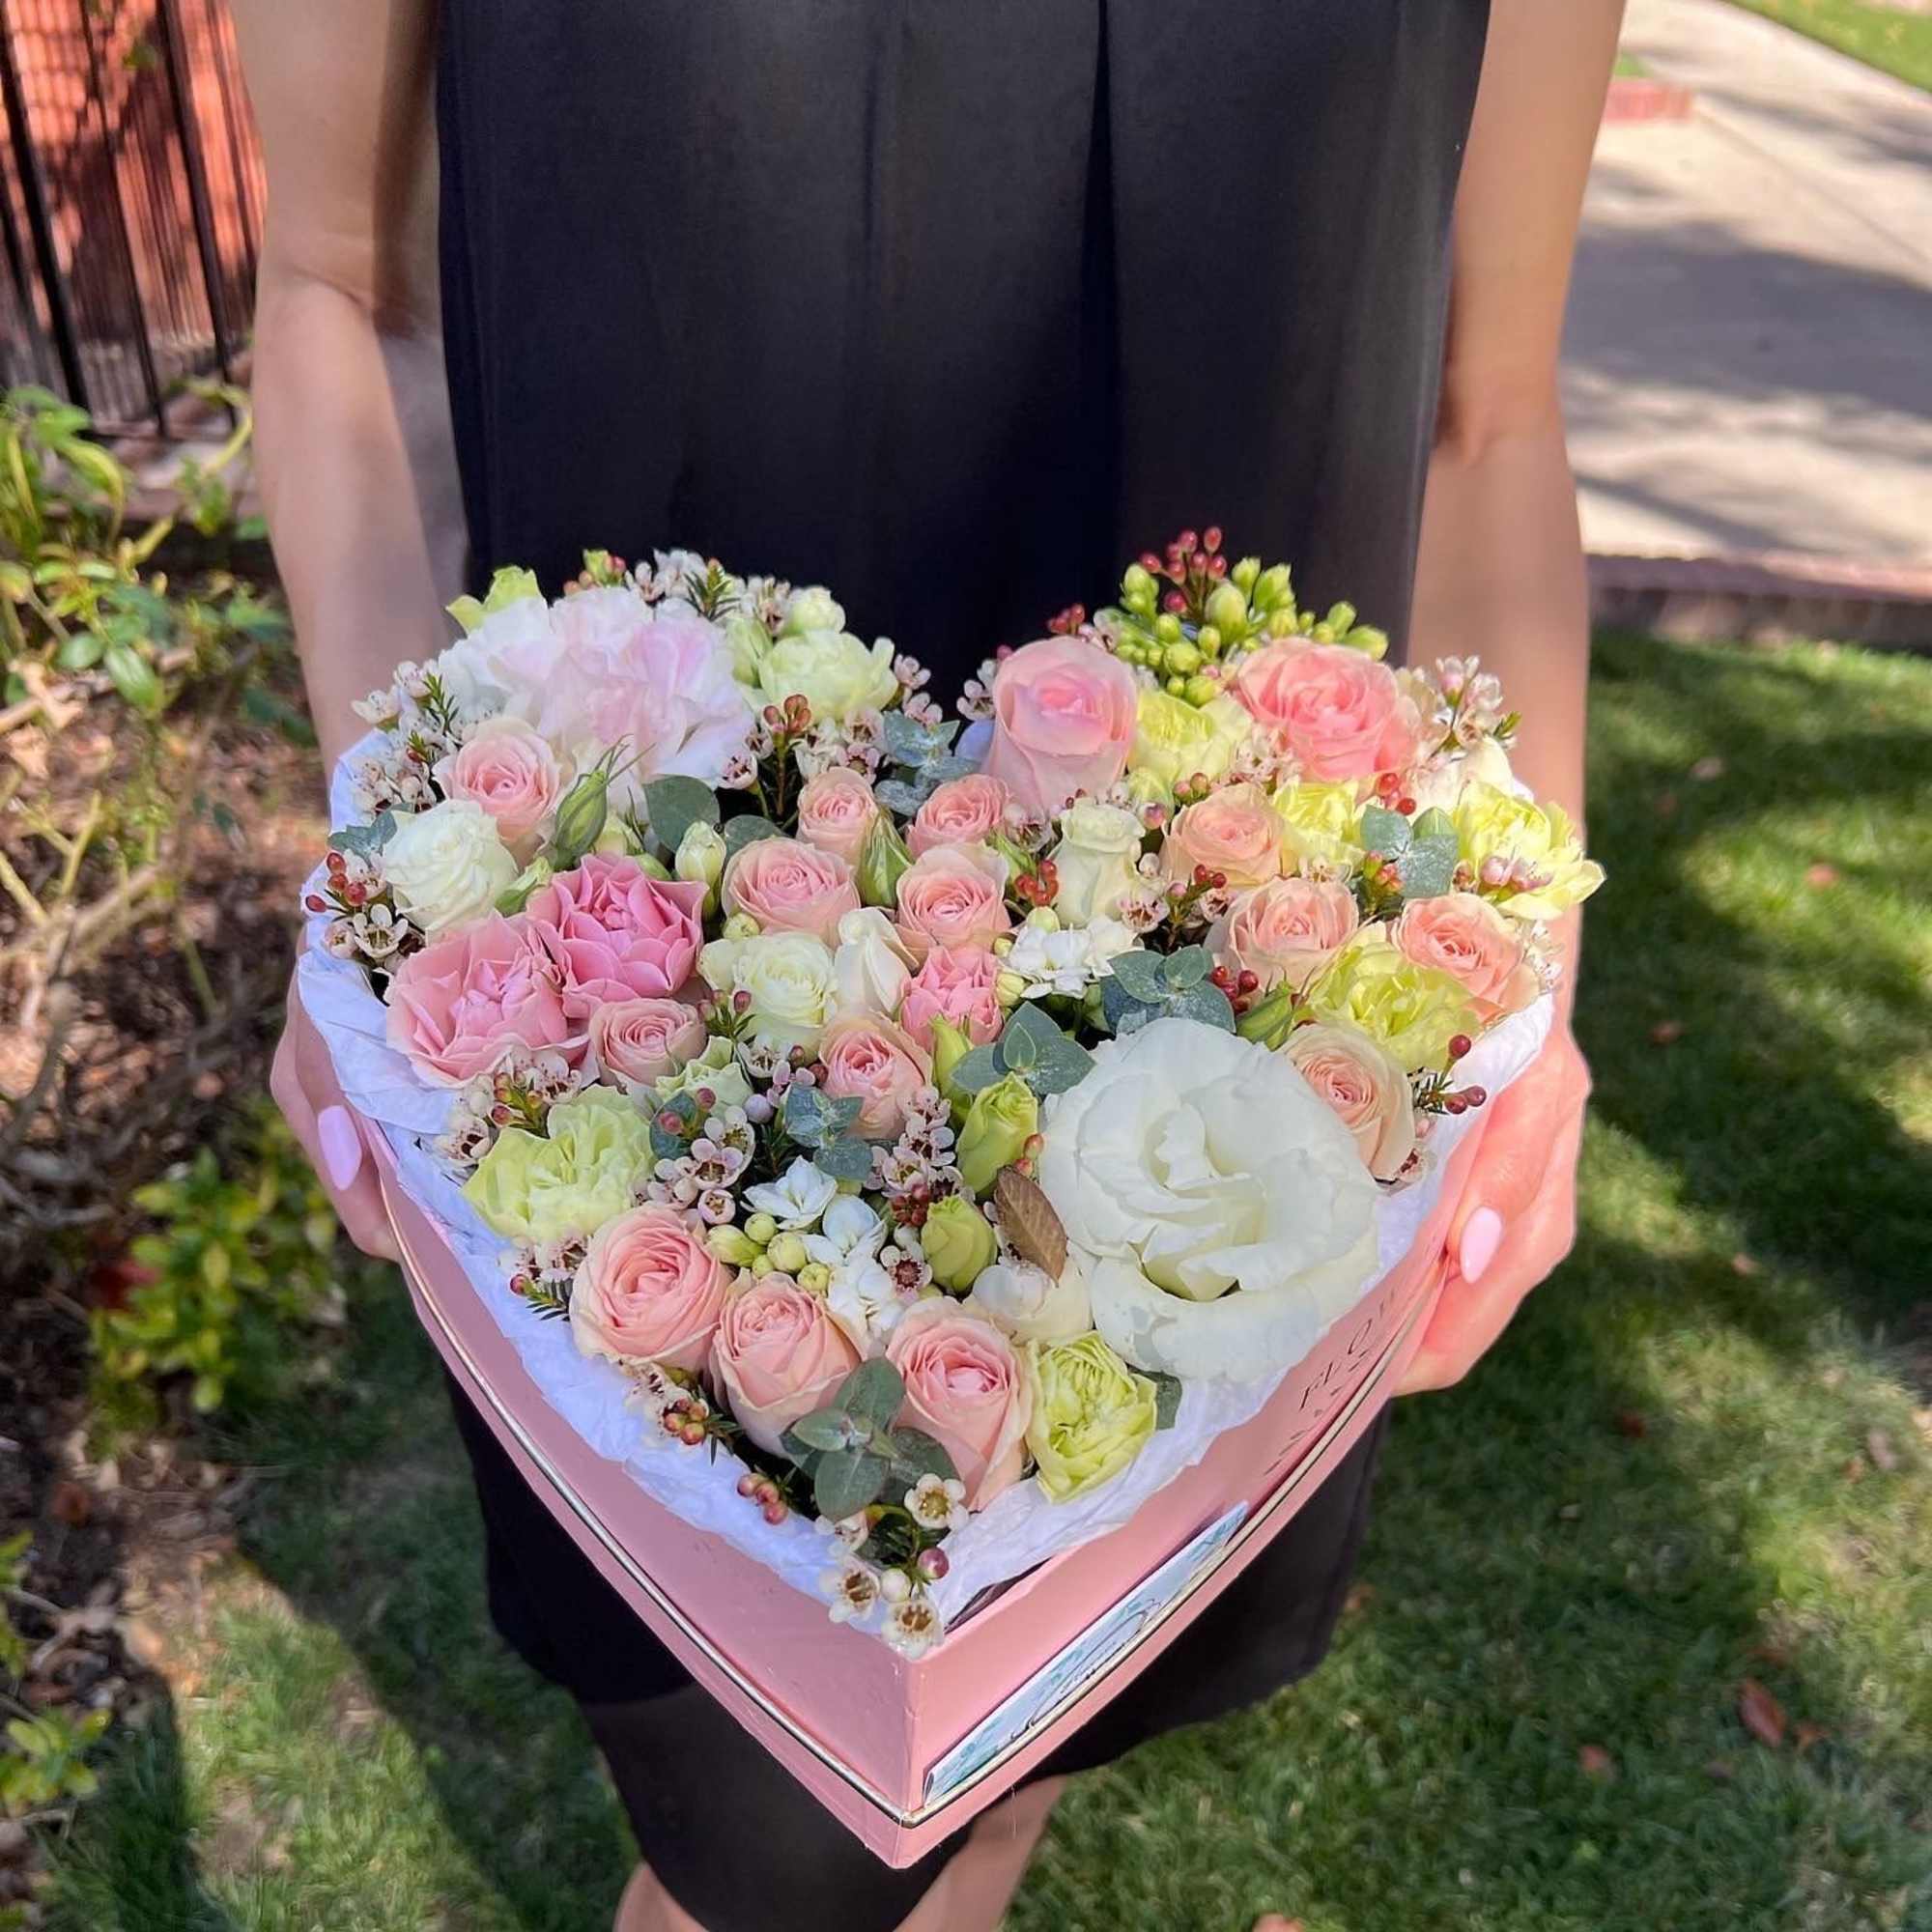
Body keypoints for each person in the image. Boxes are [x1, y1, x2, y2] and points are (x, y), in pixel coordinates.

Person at [242, 2, 1617, 1926]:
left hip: (1219, 1032)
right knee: (770, 1858)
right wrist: (398, 873)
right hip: (658, 1044)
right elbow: (331, 281)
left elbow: (1488, 409)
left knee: (998, 1763)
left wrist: (1516, 995)